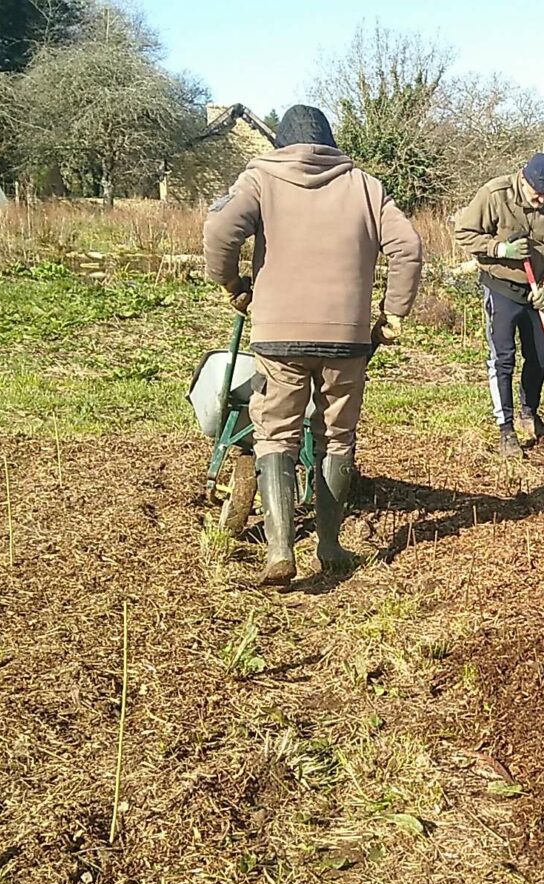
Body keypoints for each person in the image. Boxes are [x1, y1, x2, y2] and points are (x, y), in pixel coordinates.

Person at [204, 104, 424, 585]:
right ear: (329, 143)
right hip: (346, 337)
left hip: (279, 335)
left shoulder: (260, 178)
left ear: (282, 143)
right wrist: (392, 314)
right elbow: (408, 245)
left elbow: (220, 230)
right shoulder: (364, 185)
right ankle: (329, 544)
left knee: (276, 434)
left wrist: (233, 285)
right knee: (336, 438)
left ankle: (280, 551)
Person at [452, 153, 544, 456]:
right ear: (523, 179)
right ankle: (506, 429)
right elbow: (464, 233)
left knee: (540, 356)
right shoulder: (495, 195)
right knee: (503, 359)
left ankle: (529, 414)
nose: (541, 200)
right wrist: (499, 248)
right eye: (537, 193)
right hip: (501, 287)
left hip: (536, 293)